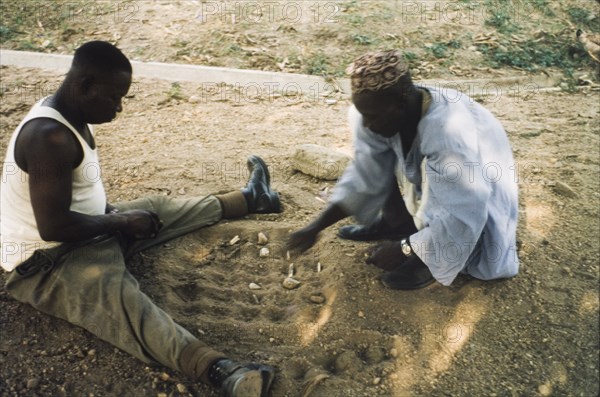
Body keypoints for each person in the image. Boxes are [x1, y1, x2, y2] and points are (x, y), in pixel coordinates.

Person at [0, 41, 278, 397]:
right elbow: (52, 227)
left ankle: (253, 200)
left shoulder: (71, 113)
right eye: (115, 98)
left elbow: (74, 199)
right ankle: (225, 374)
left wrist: (117, 215)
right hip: (49, 263)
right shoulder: (48, 137)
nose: (119, 108)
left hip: (84, 231)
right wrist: (120, 223)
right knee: (123, 299)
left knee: (154, 208)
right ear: (84, 86)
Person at [287, 49, 519, 290]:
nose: (368, 123)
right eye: (365, 114)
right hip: (448, 188)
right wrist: (316, 227)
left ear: (402, 101)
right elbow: (366, 173)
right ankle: (396, 221)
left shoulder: (448, 132)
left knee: (440, 179)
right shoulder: (383, 112)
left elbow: (466, 209)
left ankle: (428, 258)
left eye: (373, 116)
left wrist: (406, 249)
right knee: (376, 145)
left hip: (479, 198)